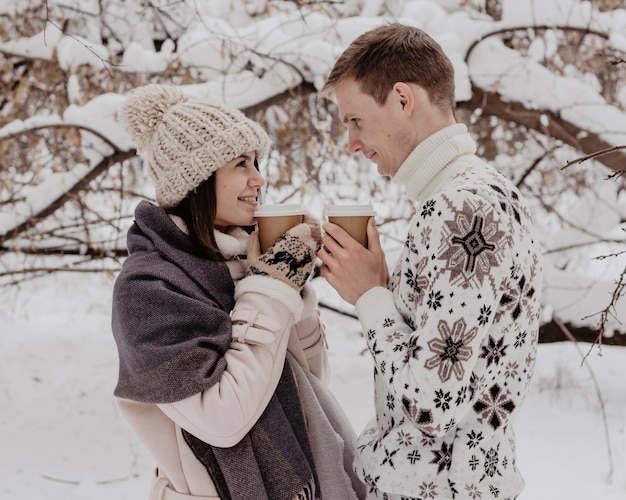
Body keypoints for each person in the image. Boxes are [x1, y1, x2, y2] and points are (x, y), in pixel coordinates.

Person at [317, 23, 543, 500]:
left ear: (402, 98)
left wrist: (370, 297)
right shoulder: (477, 194)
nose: (352, 144)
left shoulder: (463, 209)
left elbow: (432, 404)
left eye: (355, 120)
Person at [111, 83, 365, 500]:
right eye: (240, 164)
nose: (259, 179)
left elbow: (310, 382)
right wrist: (270, 285)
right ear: (197, 179)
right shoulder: (147, 292)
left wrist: (292, 284)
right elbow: (224, 419)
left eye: (257, 162)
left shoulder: (242, 261)